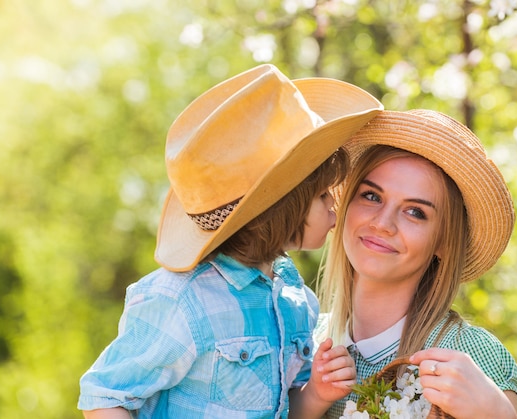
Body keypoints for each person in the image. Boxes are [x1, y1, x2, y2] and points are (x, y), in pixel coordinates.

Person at [78, 64, 383, 418]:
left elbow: (284, 409)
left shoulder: (297, 300)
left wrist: (316, 392)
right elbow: (104, 396)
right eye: (320, 196)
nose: (335, 202)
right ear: (281, 208)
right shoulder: (182, 300)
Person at [317, 109, 517, 419]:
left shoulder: (469, 354)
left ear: (443, 242)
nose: (383, 223)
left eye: (415, 212)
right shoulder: (302, 340)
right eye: (372, 196)